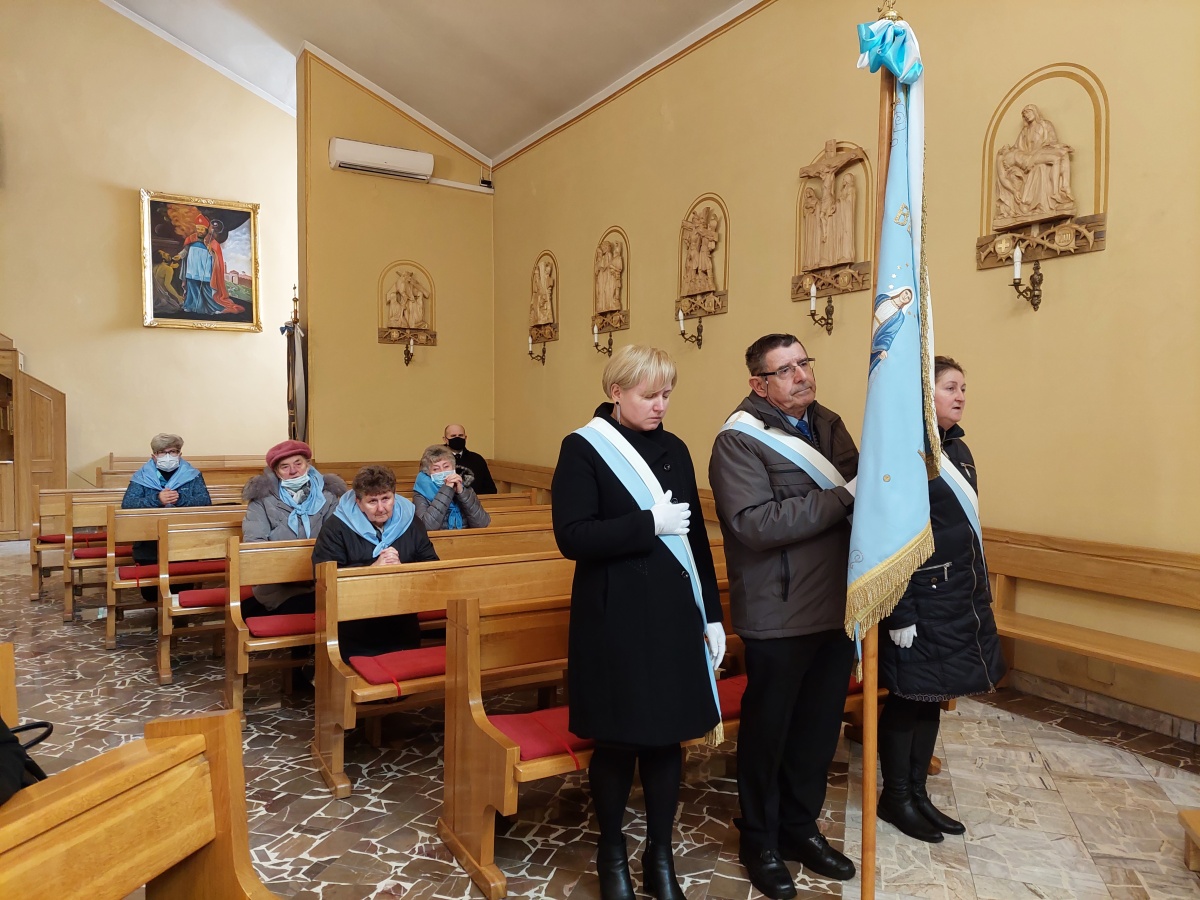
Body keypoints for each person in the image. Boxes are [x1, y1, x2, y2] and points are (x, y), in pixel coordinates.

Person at [552, 345, 724, 900]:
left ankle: (659, 856)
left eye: (666, 394)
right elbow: (573, 536)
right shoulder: (583, 448)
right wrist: (648, 522)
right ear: (616, 392)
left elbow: (695, 541)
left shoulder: (675, 447)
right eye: (649, 395)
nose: (660, 405)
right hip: (615, 619)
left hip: (673, 615)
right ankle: (612, 855)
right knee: (618, 741)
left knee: (666, 739)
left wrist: (712, 615)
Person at [709, 334, 859, 898]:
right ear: (759, 384)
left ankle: (800, 828)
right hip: (780, 609)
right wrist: (844, 497)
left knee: (818, 730)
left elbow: (864, 489)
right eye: (786, 369)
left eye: (804, 363)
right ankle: (759, 840)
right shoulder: (738, 440)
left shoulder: (828, 424)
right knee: (769, 733)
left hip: (836, 604)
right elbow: (756, 523)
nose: (801, 375)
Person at [877, 356, 1006, 843]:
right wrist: (900, 611)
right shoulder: (904, 452)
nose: (960, 396)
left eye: (963, 388)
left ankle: (917, 794)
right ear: (923, 394)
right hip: (920, 602)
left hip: (956, 598)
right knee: (908, 699)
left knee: (932, 697)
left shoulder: (959, 449)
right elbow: (891, 537)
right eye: (950, 387)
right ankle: (895, 798)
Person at [311, 465, 438, 661]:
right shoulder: (336, 527)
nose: (381, 508)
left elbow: (432, 566)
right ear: (358, 502)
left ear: (394, 496)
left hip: (402, 618)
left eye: (386, 499)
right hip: (355, 623)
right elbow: (323, 576)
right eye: (372, 501)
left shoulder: (411, 522)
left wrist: (403, 569)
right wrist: (372, 569)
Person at [241, 440, 348, 617]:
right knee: (313, 608)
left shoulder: (328, 496)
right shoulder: (261, 499)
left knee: (341, 606)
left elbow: (337, 540)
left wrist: (315, 573)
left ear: (308, 465)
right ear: (276, 472)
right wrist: (291, 572)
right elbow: (255, 545)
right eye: (285, 466)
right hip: (277, 586)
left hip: (322, 581)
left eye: (298, 463)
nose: (293, 471)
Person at [121, 433, 213, 601]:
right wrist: (157, 499)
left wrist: (181, 499)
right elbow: (128, 504)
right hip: (149, 543)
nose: (168, 456)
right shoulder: (142, 476)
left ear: (180, 454)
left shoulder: (192, 475)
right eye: (163, 452)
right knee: (151, 595)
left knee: (181, 592)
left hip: (183, 541)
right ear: (154, 456)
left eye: (173, 451)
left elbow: (205, 502)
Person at [412, 445, 490, 531]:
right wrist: (447, 489)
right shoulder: (421, 493)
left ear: (453, 468)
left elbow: (482, 523)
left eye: (446, 467)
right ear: (428, 473)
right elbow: (427, 526)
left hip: (466, 537)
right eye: (436, 469)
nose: (442, 472)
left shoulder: (464, 486)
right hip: (438, 538)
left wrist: (462, 492)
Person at [443, 424, 496, 494]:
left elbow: (490, 489)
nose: (457, 438)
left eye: (460, 435)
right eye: (453, 436)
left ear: (465, 438)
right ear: (445, 439)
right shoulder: (437, 460)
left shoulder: (477, 459)